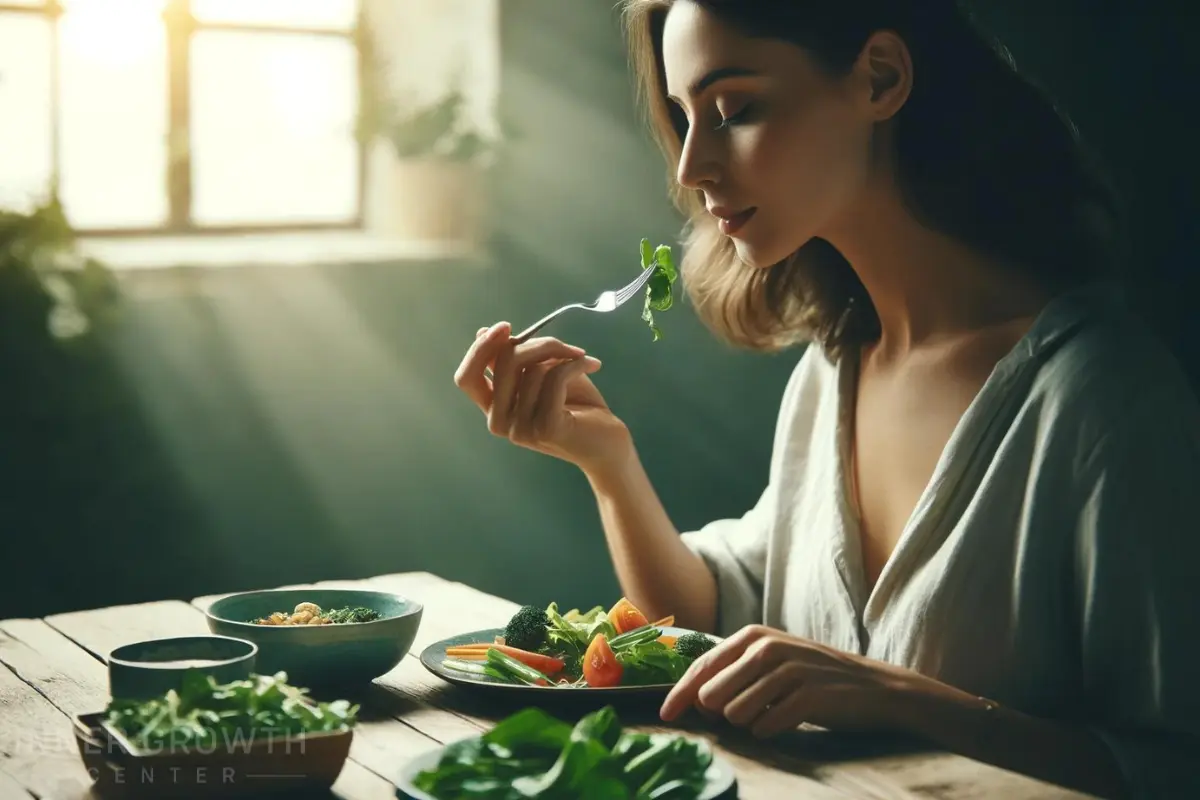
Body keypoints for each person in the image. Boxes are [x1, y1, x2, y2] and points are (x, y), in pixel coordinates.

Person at [453, 1, 1199, 797]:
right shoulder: (831, 372)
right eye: (684, 116)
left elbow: (1174, 768)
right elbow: (708, 618)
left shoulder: (1103, 401)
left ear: (880, 76)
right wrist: (608, 466)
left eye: (735, 109)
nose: (690, 167)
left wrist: (901, 699)